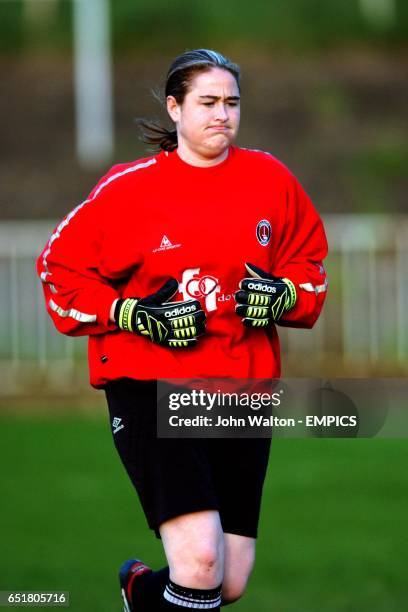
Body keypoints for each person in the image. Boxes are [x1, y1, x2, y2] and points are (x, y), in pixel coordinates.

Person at [37, 49, 328, 611]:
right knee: (200, 563)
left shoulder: (271, 178)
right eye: (208, 102)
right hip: (151, 384)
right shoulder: (128, 189)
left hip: (241, 388)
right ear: (175, 108)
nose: (222, 114)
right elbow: (58, 267)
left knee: (229, 580)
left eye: (232, 103)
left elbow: (310, 266)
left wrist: (284, 293)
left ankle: (139, 592)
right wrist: (132, 312)